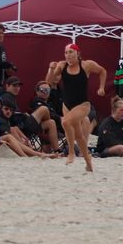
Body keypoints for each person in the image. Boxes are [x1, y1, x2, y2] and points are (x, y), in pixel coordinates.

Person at [46, 43, 108, 172]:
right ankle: (88, 161)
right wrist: (51, 69)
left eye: (70, 52)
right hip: (67, 105)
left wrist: (101, 87)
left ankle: (71, 152)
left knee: (65, 121)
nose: (68, 55)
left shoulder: (86, 65)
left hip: (83, 105)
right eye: (66, 52)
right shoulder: (62, 66)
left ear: (77, 53)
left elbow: (102, 71)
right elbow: (49, 82)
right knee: (79, 135)